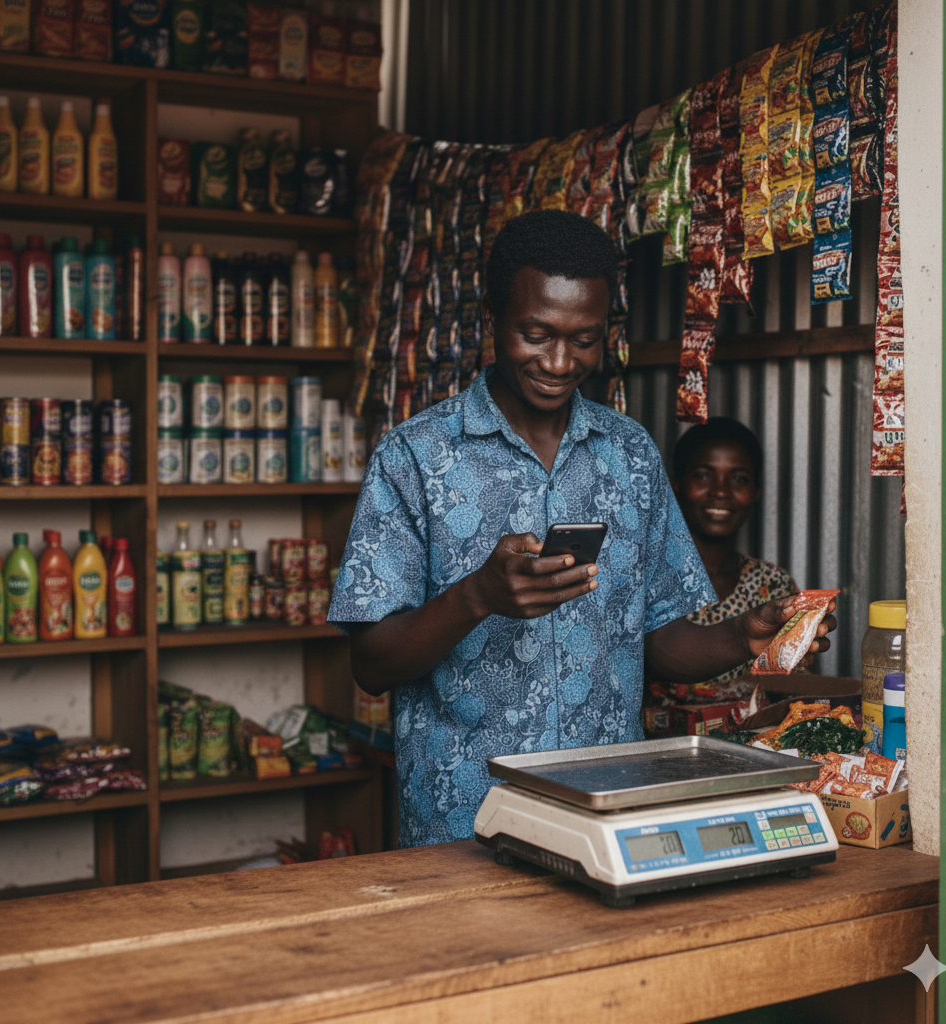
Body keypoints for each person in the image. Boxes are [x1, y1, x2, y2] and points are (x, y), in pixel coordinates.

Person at [328, 210, 834, 848]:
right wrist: (476, 597)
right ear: (494, 321)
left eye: (585, 339)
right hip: (463, 827)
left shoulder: (630, 454)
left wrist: (745, 635)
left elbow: (656, 641)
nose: (560, 361)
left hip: (605, 821)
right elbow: (370, 664)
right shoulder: (415, 459)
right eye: (535, 334)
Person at [645, 419, 800, 725]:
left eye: (739, 479)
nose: (720, 492)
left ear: (756, 492)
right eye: (703, 476)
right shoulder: (648, 578)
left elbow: (793, 689)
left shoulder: (773, 585)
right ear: (676, 484)